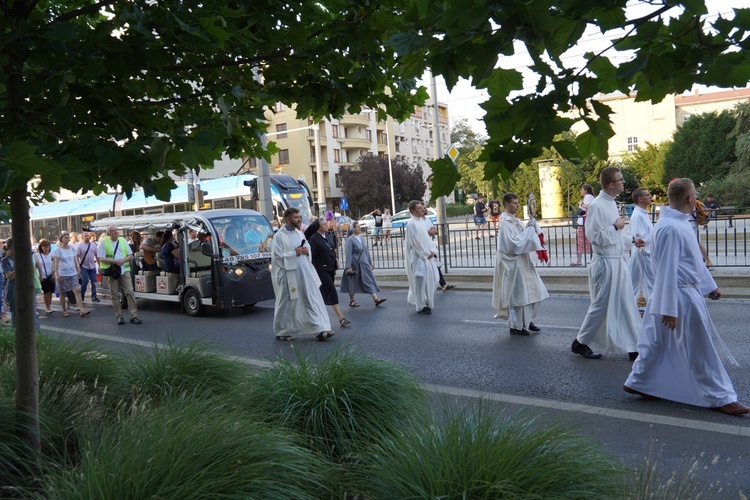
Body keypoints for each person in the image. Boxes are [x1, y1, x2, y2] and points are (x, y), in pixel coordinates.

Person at [624, 178, 749, 416]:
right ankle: (720, 396)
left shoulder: (674, 223)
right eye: (695, 196)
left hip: (677, 293)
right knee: (699, 347)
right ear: (690, 198)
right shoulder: (672, 227)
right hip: (680, 298)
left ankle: (638, 381)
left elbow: (690, 262)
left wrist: (709, 285)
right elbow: (668, 269)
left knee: (656, 343)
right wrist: (669, 308)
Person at [571, 167, 644, 360]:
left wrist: (632, 240)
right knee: (601, 306)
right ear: (611, 184)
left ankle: (634, 348)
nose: (623, 183)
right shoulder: (597, 206)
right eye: (621, 180)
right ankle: (579, 342)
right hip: (605, 264)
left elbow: (617, 235)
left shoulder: (611, 203)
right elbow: (594, 237)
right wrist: (614, 226)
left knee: (626, 304)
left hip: (617, 262)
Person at [271, 207, 334, 341]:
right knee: (286, 304)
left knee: (311, 300)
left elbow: (308, 248)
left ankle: (319, 330)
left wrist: (306, 251)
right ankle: (282, 331)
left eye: (299, 217)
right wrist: (294, 253)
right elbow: (277, 257)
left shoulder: (300, 234)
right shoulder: (279, 236)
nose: (299, 219)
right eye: (296, 217)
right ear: (287, 219)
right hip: (289, 275)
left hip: (304, 273)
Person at [491, 193, 549, 335]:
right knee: (519, 295)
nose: (517, 205)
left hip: (522, 261)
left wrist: (530, 226)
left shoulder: (515, 221)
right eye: (515, 203)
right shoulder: (505, 223)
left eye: (517, 203)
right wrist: (529, 232)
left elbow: (522, 237)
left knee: (533, 291)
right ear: (507, 205)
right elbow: (513, 244)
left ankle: (526, 321)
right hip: (512, 263)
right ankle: (516, 325)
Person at [307, 219, 350, 328]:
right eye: (324, 224)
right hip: (321, 270)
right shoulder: (314, 239)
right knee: (331, 291)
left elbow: (332, 249)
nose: (327, 226)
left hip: (331, 268)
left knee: (322, 294)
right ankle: (341, 317)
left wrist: (336, 260)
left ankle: (317, 315)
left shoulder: (328, 236)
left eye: (326, 224)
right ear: (318, 227)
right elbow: (311, 256)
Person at [98, 225, 142, 325]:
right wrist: (114, 262)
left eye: (116, 230)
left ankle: (133, 316)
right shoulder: (104, 242)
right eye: (113, 231)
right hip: (112, 271)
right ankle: (119, 316)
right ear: (108, 234)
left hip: (124, 270)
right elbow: (102, 258)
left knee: (130, 292)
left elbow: (130, 255)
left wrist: (122, 260)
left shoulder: (122, 240)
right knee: (115, 295)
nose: (115, 232)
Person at [405, 200, 439, 315]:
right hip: (418, 258)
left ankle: (427, 302)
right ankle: (421, 306)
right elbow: (415, 242)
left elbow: (426, 238)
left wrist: (432, 251)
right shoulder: (411, 224)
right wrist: (425, 253)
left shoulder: (422, 222)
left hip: (427, 256)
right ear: (413, 211)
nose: (422, 210)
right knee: (420, 283)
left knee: (434, 279)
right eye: (419, 208)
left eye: (422, 207)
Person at [341, 221, 386, 308]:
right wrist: (348, 267)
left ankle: (376, 299)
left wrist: (370, 262)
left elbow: (366, 251)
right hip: (355, 264)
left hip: (364, 262)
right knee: (352, 282)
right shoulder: (350, 240)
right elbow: (348, 254)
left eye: (359, 226)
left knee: (368, 279)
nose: (359, 228)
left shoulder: (362, 238)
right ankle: (352, 301)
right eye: (357, 227)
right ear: (353, 229)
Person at [52, 231, 90, 318]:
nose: (67, 237)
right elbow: (56, 263)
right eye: (64, 236)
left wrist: (78, 270)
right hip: (62, 273)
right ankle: (64, 311)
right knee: (62, 292)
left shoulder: (72, 249)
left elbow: (75, 260)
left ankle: (82, 310)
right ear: (61, 239)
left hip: (72, 272)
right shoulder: (58, 250)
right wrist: (57, 274)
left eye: (67, 236)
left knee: (77, 290)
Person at [628, 188, 655, 306]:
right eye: (647, 195)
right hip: (643, 252)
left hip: (643, 251)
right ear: (640, 199)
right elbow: (641, 238)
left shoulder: (643, 213)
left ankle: (631, 310)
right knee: (651, 283)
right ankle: (653, 311)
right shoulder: (638, 216)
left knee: (634, 283)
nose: (650, 197)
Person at [421, 202, 455, 291]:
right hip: (424, 248)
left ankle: (443, 284)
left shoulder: (427, 220)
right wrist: (429, 231)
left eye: (425, 208)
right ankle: (428, 287)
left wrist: (429, 231)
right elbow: (422, 233)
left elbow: (435, 231)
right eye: (423, 208)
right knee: (428, 267)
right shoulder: (418, 221)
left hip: (430, 246)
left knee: (436, 265)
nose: (425, 210)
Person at [572, 184, 595, 266]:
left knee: (580, 240)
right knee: (587, 241)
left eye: (582, 189)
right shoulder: (591, 197)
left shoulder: (588, 197)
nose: (581, 191)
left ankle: (579, 260)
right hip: (586, 221)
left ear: (586, 190)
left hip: (583, 221)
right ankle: (589, 259)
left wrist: (581, 204)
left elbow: (588, 206)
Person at [77, 231, 100, 303]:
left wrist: (100, 265)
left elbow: (97, 256)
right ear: (82, 237)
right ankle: (82, 294)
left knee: (94, 281)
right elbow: (76, 257)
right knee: (85, 281)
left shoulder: (93, 245)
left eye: (88, 236)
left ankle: (94, 296)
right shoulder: (80, 246)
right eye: (85, 236)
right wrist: (78, 267)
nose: (87, 237)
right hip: (84, 267)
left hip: (92, 266)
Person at [35, 239, 56, 314]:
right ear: (41, 247)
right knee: (46, 291)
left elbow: (54, 265)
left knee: (50, 292)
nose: (46, 248)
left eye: (47, 246)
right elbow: (36, 266)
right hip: (42, 276)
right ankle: (47, 307)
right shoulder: (37, 255)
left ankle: (49, 306)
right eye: (44, 246)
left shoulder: (52, 254)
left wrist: (54, 274)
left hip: (50, 276)